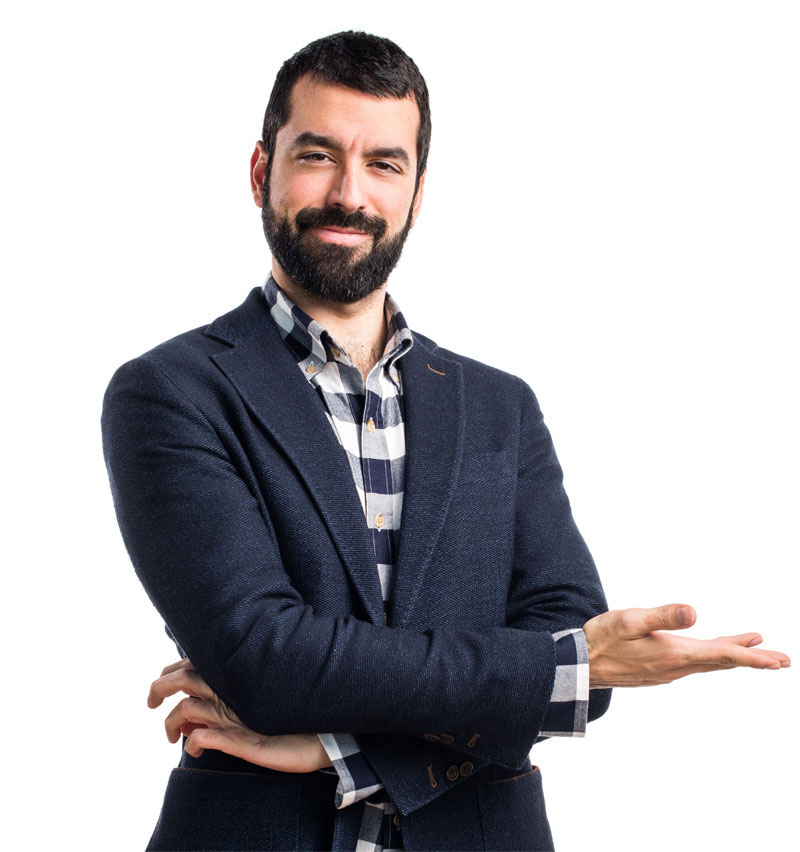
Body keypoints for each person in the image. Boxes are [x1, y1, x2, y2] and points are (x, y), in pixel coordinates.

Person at [102, 31, 790, 852]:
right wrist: (542, 672)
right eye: (318, 156)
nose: (349, 194)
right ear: (261, 172)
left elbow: (579, 657)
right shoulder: (172, 391)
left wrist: (340, 751)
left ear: (417, 192)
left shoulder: (499, 407)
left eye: (384, 164)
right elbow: (267, 661)